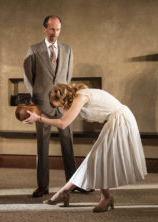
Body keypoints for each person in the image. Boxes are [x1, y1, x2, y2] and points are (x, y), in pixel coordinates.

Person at [23, 83, 147, 212]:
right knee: (95, 159)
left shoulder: (81, 98)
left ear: (64, 98)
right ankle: (65, 192)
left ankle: (102, 197)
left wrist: (39, 119)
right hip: (117, 120)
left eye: (60, 105)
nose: (62, 109)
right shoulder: (80, 95)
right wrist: (40, 116)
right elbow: (62, 119)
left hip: (121, 121)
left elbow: (63, 123)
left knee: (97, 159)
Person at [24, 15, 82, 197]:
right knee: (42, 146)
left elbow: (68, 75)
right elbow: (28, 78)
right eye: (51, 29)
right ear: (44, 29)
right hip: (42, 105)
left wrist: (64, 98)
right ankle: (43, 186)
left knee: (68, 144)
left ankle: (73, 183)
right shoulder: (33, 50)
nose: (54, 33)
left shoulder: (68, 50)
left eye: (57, 30)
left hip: (63, 105)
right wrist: (37, 100)